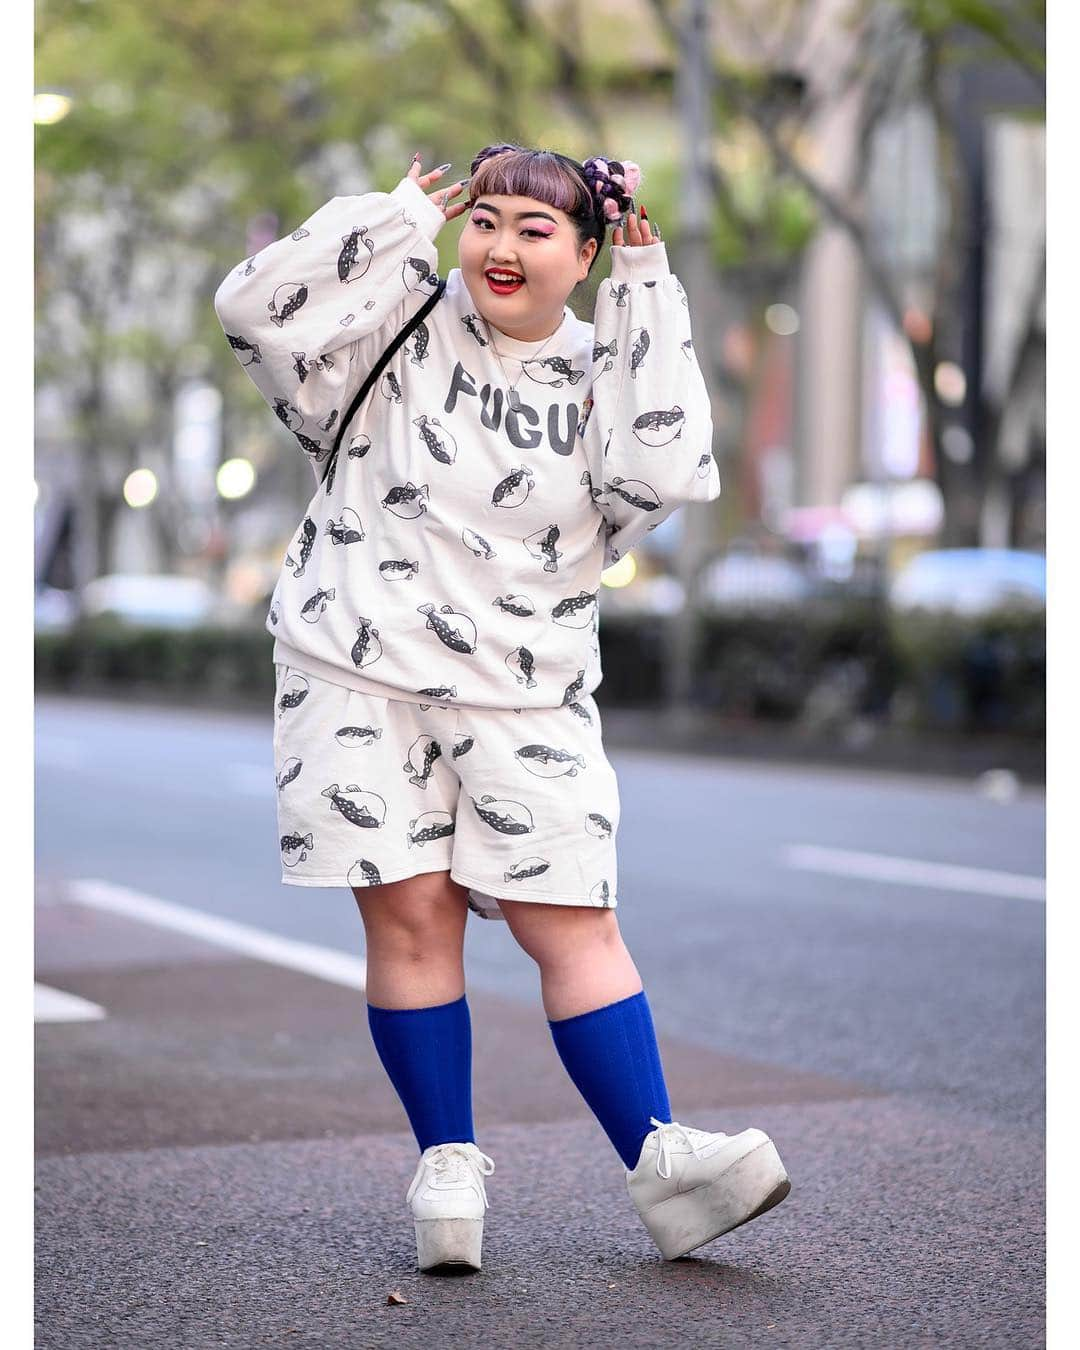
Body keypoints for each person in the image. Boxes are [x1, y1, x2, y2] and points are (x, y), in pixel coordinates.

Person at [213, 143, 789, 1272]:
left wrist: (648, 279)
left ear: (583, 255)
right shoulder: (389, 330)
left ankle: (662, 1161)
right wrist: (389, 220)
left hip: (529, 690)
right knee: (410, 916)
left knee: (573, 918)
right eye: (487, 219)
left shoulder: (602, 369)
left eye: (537, 229)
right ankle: (447, 1169)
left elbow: (667, 471)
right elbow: (254, 312)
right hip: (351, 665)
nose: (503, 245)